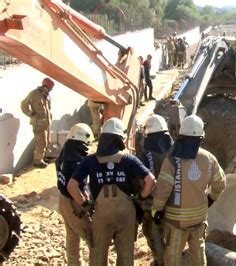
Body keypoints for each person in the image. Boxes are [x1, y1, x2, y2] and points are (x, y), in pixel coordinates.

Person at [67, 118, 156, 266]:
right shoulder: (129, 159)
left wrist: (85, 203)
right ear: (119, 139)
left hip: (101, 214)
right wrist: (140, 197)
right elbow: (151, 180)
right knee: (126, 257)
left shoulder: (90, 161)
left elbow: (71, 186)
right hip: (126, 213)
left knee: (98, 256)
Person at [151, 114, 226, 266]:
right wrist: (211, 198)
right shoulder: (209, 158)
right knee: (198, 252)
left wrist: (156, 210)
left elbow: (163, 190)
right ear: (201, 137)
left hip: (176, 222)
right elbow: (221, 182)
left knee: (173, 254)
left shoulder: (172, 160)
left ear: (181, 135)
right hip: (199, 218)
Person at [137, 114, 174, 265]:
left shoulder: (145, 156)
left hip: (152, 206)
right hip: (174, 203)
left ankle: (161, 261)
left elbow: (142, 182)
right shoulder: (176, 152)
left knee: (154, 235)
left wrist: (140, 197)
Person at [56, 123, 94, 265]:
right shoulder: (76, 160)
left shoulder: (65, 152)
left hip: (63, 200)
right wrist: (85, 204)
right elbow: (75, 187)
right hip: (74, 203)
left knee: (72, 236)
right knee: (92, 239)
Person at [20, 77, 54, 168]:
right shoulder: (34, 94)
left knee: (47, 141)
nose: (51, 90)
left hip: (46, 123)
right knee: (41, 142)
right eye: (50, 88)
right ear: (45, 86)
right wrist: (31, 114)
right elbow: (24, 104)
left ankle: (42, 158)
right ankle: (38, 162)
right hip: (38, 123)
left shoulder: (46, 95)